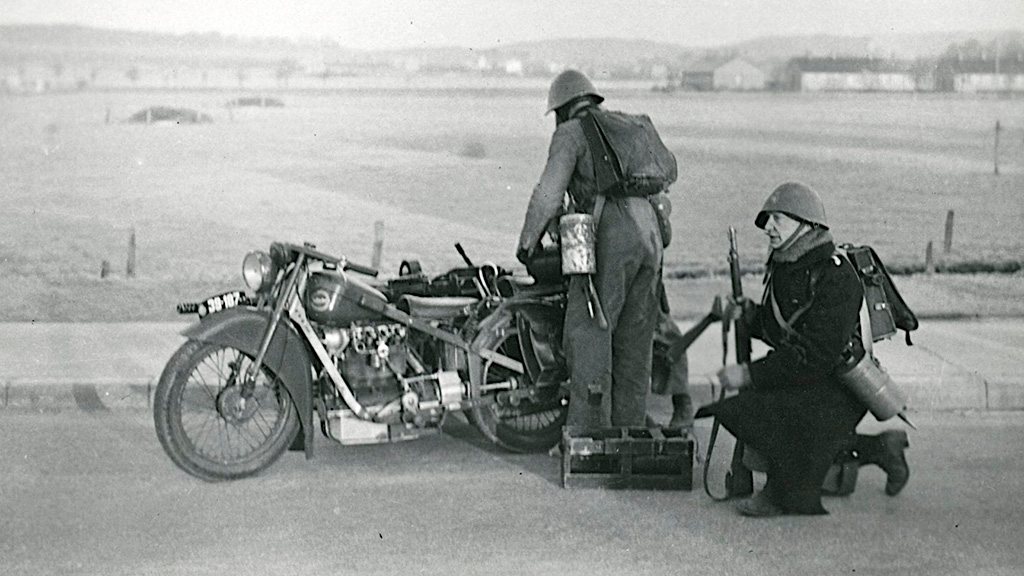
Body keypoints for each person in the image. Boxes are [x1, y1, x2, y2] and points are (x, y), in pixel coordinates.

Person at [695, 181, 909, 517]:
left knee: (770, 412)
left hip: (841, 386)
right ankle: (882, 448)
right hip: (812, 376)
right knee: (762, 408)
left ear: (808, 226)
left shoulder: (836, 276)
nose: (769, 228)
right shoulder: (787, 266)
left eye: (780, 219)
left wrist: (749, 373)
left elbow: (815, 355)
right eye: (769, 220)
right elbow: (778, 329)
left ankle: (779, 495)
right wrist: (748, 316)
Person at [517, 69, 675, 429]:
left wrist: (527, 244)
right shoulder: (631, 126)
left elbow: (547, 195)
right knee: (635, 344)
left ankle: (590, 437)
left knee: (589, 335)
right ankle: (629, 432)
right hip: (649, 231)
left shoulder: (570, 134)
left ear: (561, 109)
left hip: (611, 232)